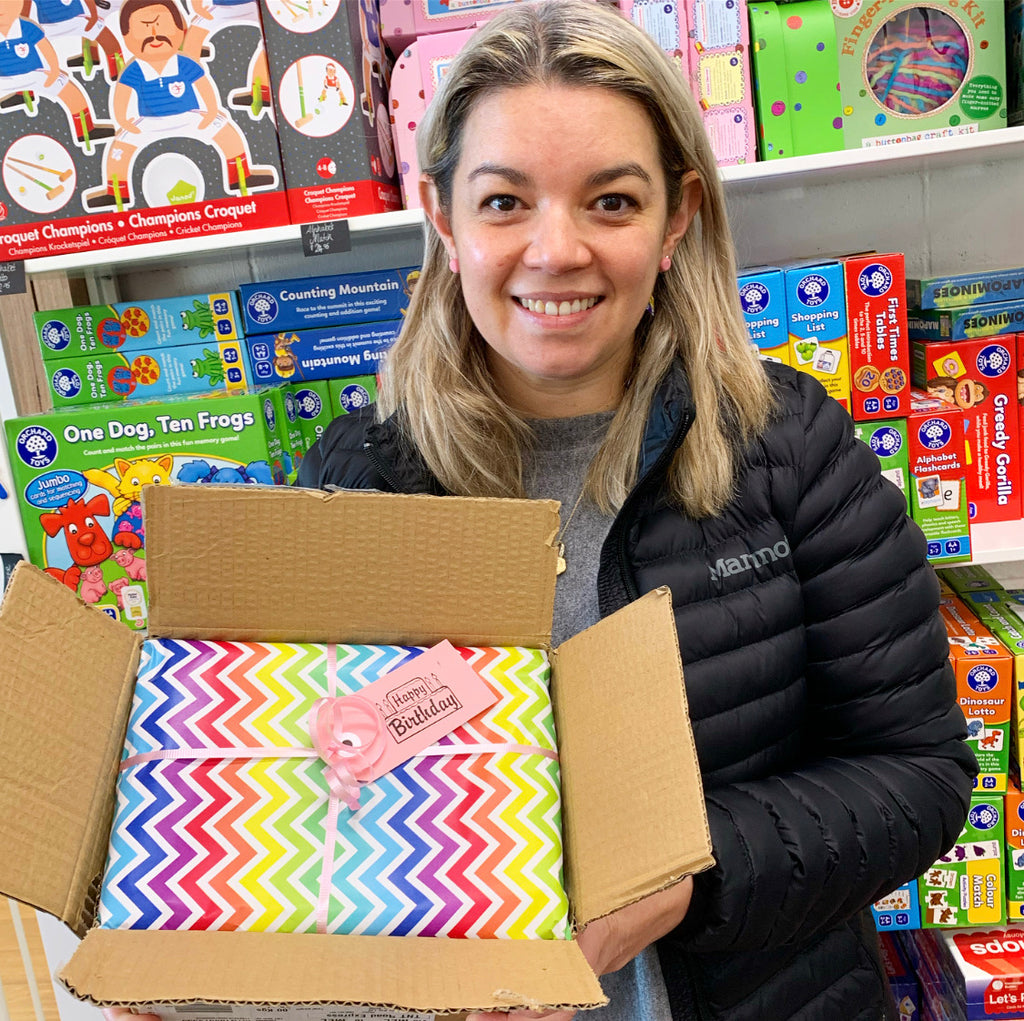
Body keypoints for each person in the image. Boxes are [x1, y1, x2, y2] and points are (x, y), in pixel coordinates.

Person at [297, 3, 975, 1019]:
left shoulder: (784, 445)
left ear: (677, 215)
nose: (556, 250)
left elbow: (918, 774)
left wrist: (687, 877)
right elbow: (318, 792)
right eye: (503, 201)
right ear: (442, 217)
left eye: (611, 202)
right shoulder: (357, 480)